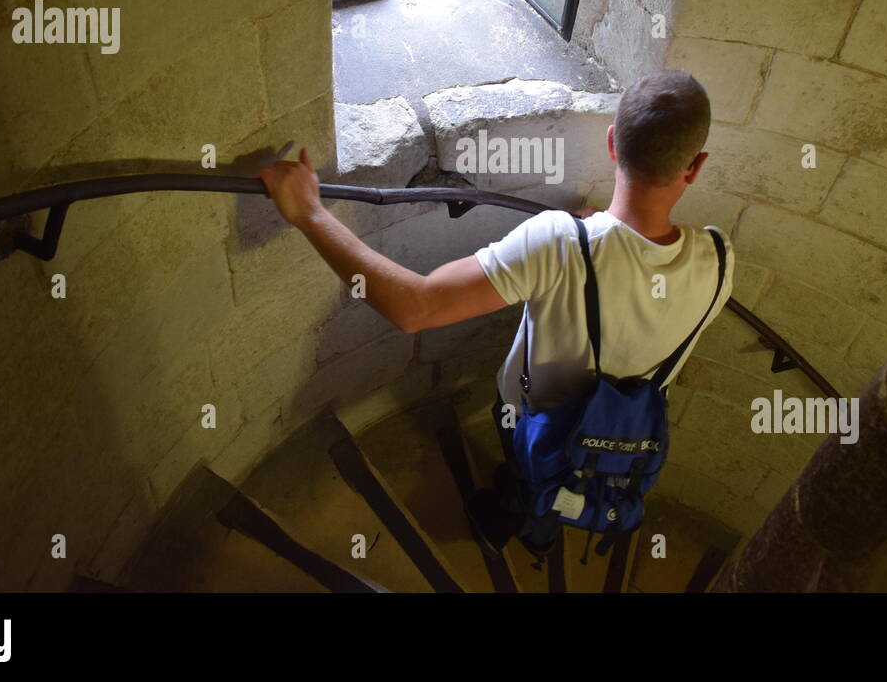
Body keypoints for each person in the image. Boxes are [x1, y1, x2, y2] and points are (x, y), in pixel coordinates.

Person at [256, 70, 734, 558]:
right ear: (695, 166)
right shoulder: (718, 258)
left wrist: (311, 214)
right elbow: (643, 282)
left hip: (536, 418)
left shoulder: (560, 242)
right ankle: (547, 525)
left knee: (533, 477)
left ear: (613, 143)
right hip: (628, 433)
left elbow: (414, 308)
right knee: (569, 481)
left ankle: (528, 525)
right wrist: (604, 235)